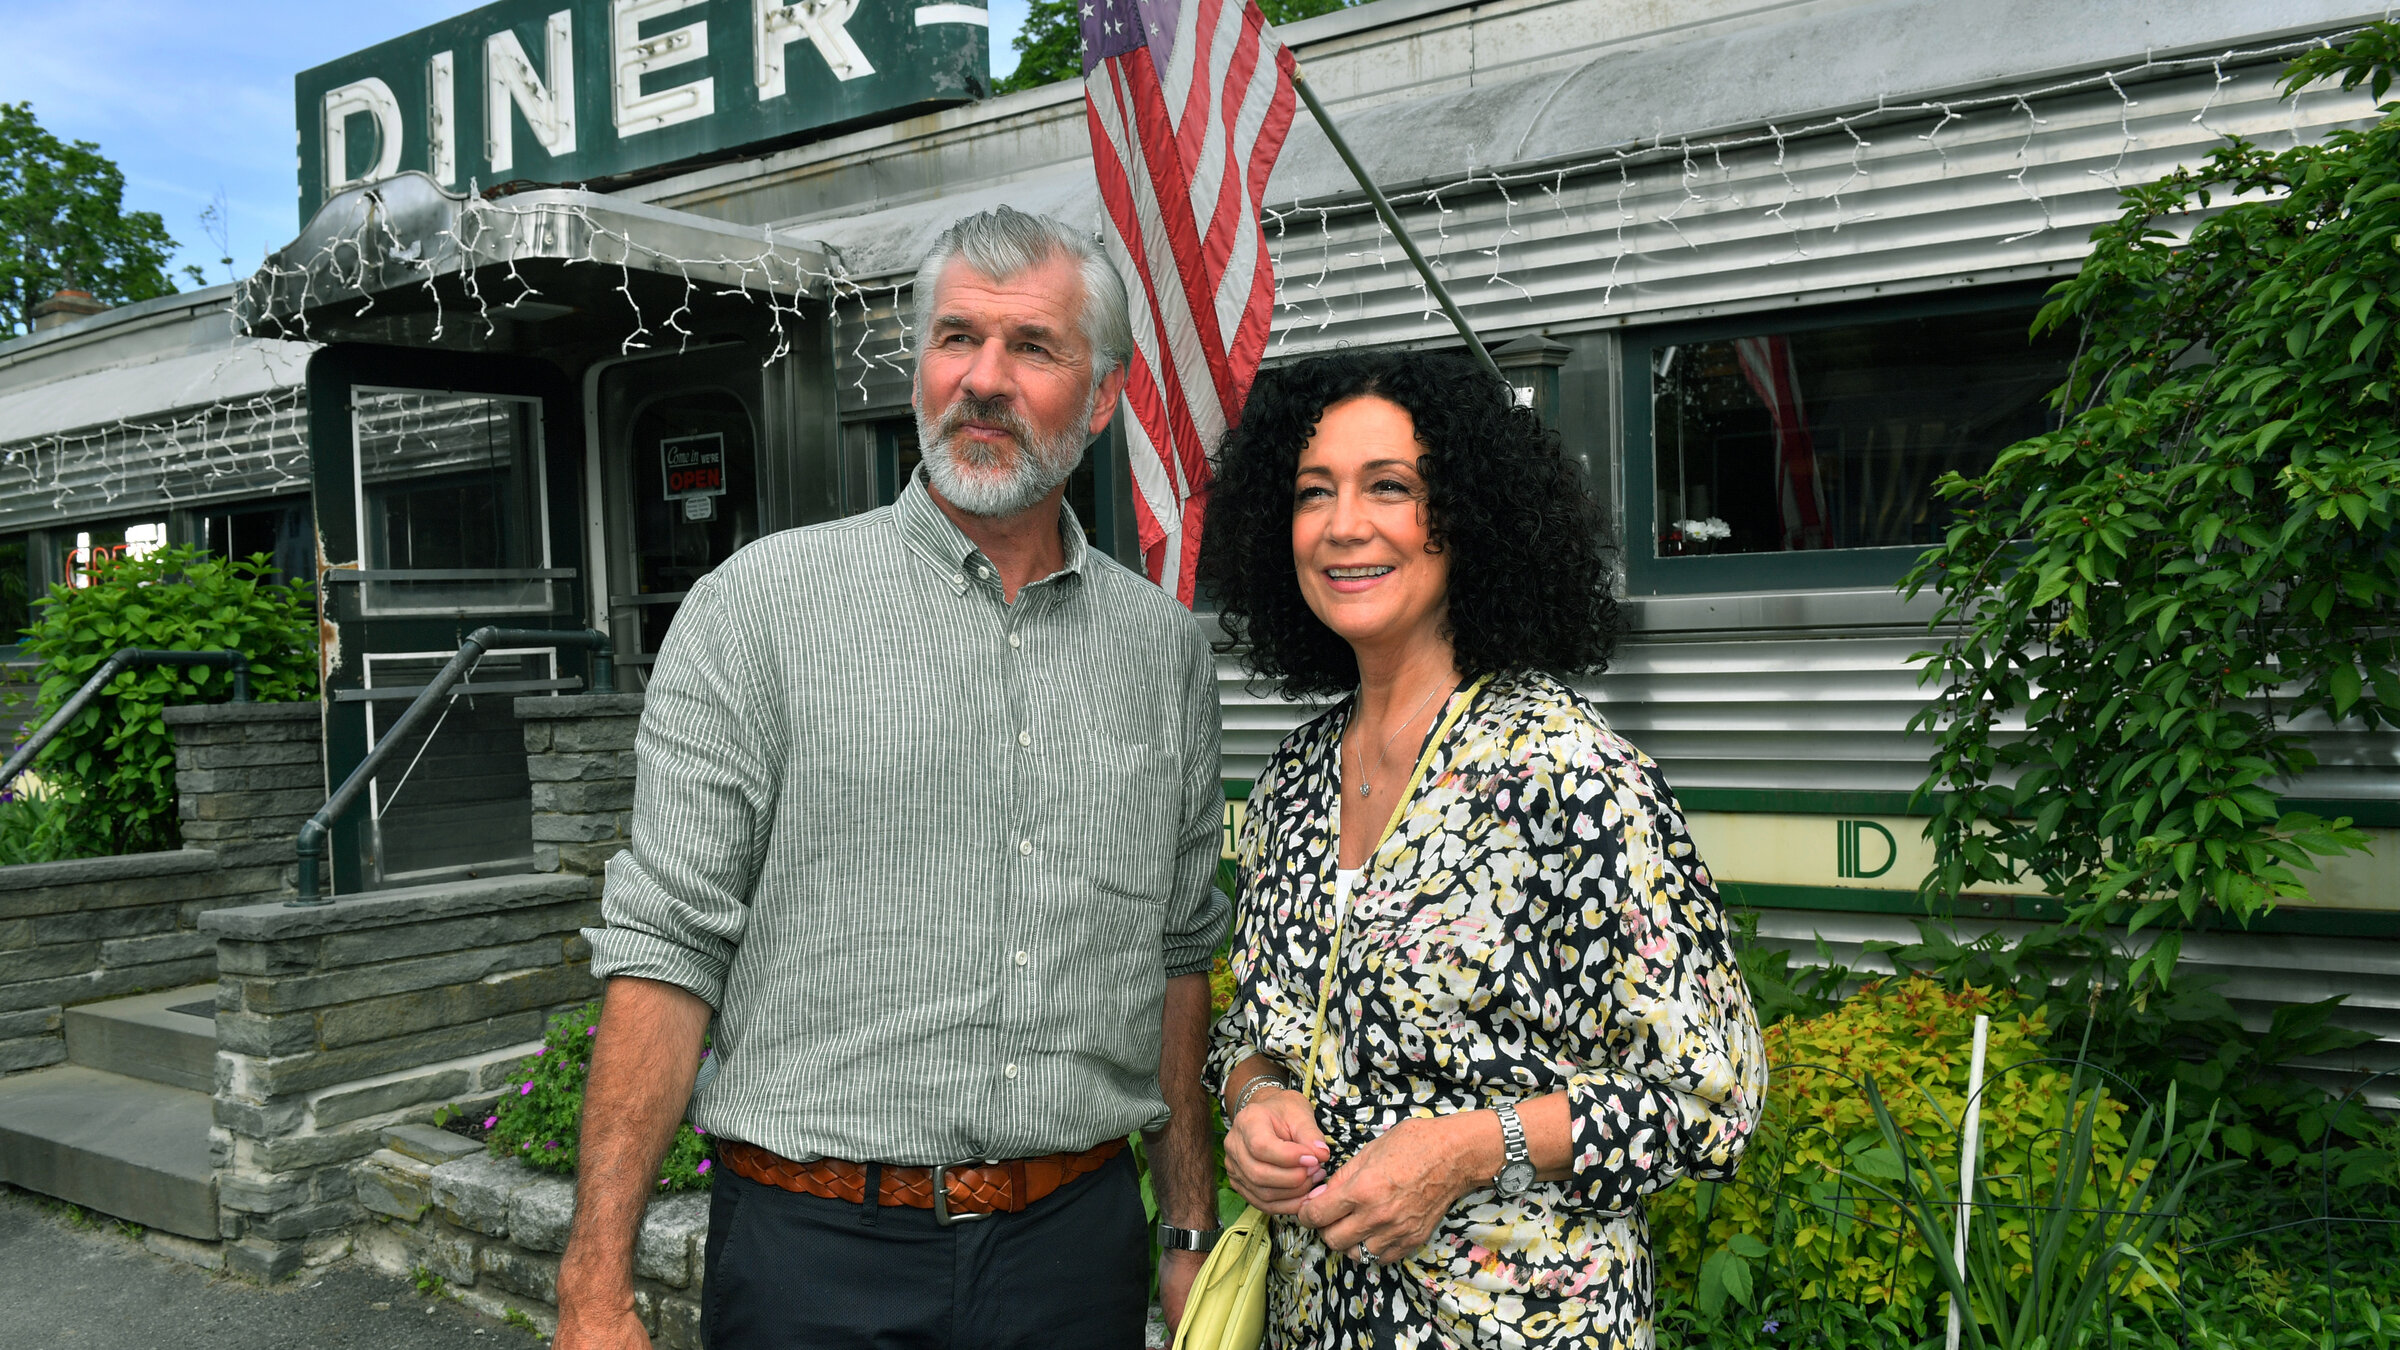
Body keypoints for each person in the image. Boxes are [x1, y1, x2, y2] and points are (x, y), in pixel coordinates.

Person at [555, 207, 1230, 1350]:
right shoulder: (758, 612)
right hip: (814, 1265)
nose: (984, 379)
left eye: (1033, 348)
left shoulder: (1162, 654)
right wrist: (593, 1281)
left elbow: (1175, 954)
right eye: (956, 338)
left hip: (1074, 1258)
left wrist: (1188, 1234)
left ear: (1105, 396)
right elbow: (667, 946)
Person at [1196, 350, 1767, 1349]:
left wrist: (1467, 1149)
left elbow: (1709, 1098)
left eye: (1391, 489)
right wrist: (1256, 1100)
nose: (1343, 526)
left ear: (1466, 517)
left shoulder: (1570, 775)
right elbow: (1256, 1028)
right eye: (1313, 492)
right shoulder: (1293, 778)